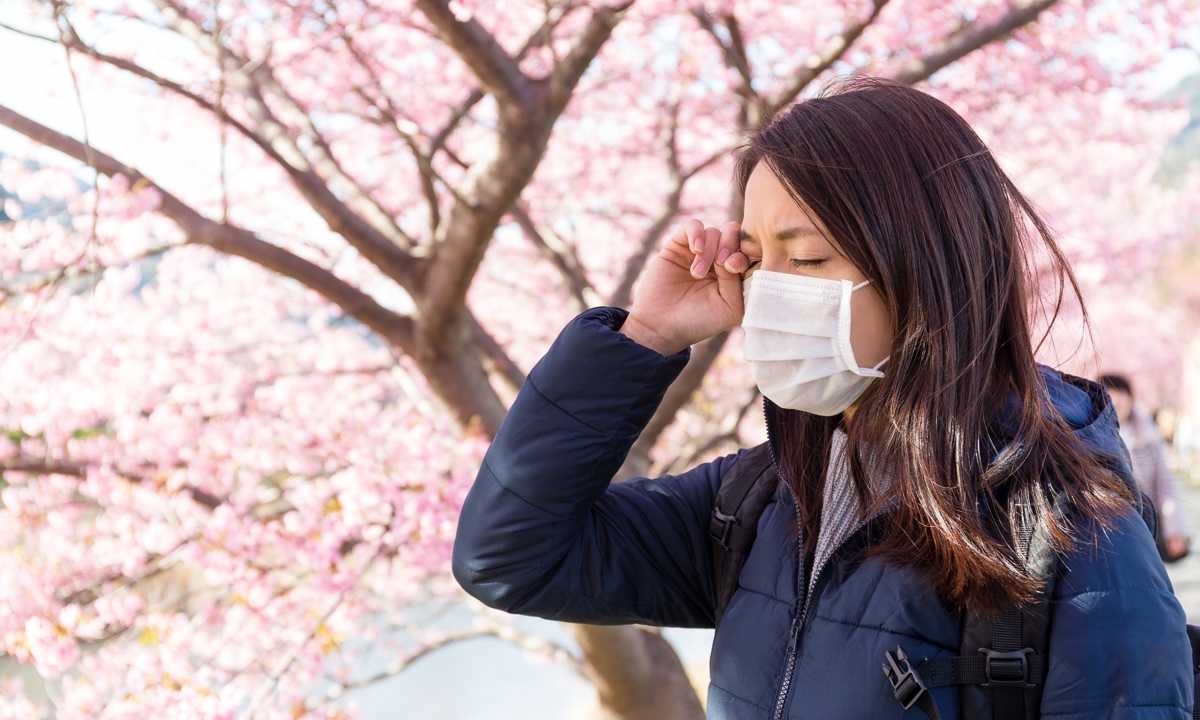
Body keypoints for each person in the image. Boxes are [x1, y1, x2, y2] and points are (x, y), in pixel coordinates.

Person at [453, 78, 1192, 719]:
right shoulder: (758, 503)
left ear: (927, 269)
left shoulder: (1067, 531)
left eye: (806, 258)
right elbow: (508, 557)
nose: (767, 289)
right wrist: (644, 336)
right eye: (755, 260)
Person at [1101, 373, 1191, 562]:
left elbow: (1165, 485)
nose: (1116, 399)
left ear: (1131, 398)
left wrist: (1174, 530)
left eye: (1121, 393)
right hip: (1104, 532)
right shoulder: (1089, 438)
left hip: (1144, 526)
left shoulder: (1149, 436)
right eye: (1109, 393)